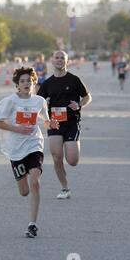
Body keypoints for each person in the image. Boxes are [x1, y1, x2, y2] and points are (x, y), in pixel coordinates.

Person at [0, 66, 59, 238]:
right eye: (22, 81)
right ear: (17, 84)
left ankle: (32, 224)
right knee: (24, 191)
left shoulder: (39, 101)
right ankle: (23, 186)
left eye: (29, 80)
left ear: (34, 82)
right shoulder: (11, 101)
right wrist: (17, 128)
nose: (26, 84)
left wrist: (50, 124)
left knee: (35, 181)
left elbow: (45, 120)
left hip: (33, 144)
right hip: (15, 148)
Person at [37, 50, 92, 200]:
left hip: (72, 123)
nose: (60, 60)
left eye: (63, 58)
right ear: (52, 61)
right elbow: (38, 104)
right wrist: (45, 104)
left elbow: (88, 97)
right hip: (54, 123)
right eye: (57, 58)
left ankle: (72, 152)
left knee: (72, 161)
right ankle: (64, 188)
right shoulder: (47, 83)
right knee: (56, 156)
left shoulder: (74, 80)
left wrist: (79, 105)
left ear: (66, 61)